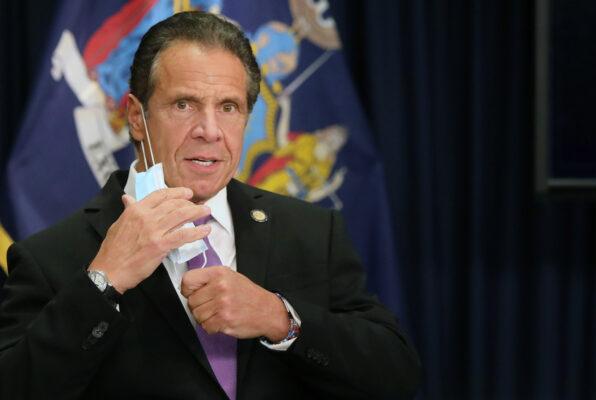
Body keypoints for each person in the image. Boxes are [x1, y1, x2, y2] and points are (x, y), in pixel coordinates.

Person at [0, 11, 421, 399]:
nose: (209, 130)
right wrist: (102, 282)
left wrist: (281, 319)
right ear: (135, 116)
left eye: (229, 107)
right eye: (184, 104)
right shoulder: (51, 256)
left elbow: (396, 375)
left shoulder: (312, 233)